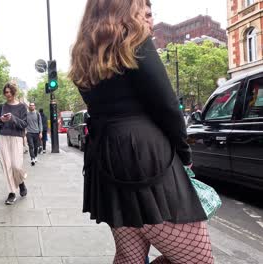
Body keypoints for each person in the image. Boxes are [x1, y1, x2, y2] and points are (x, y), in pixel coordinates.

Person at [69, 0, 214, 263]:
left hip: (105, 156)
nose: (146, 18)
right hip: (146, 157)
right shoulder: (133, 39)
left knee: (129, 258)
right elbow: (167, 105)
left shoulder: (84, 52)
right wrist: (184, 153)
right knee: (199, 260)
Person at [0, 82, 28, 205]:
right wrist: (1, 120)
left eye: (9, 92)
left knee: (16, 166)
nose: (7, 94)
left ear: (14, 92)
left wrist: (13, 118)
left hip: (17, 138)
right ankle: (12, 193)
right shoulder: (1, 107)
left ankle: (21, 182)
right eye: (5, 92)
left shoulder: (22, 107)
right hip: (3, 137)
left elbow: (24, 124)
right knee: (6, 166)